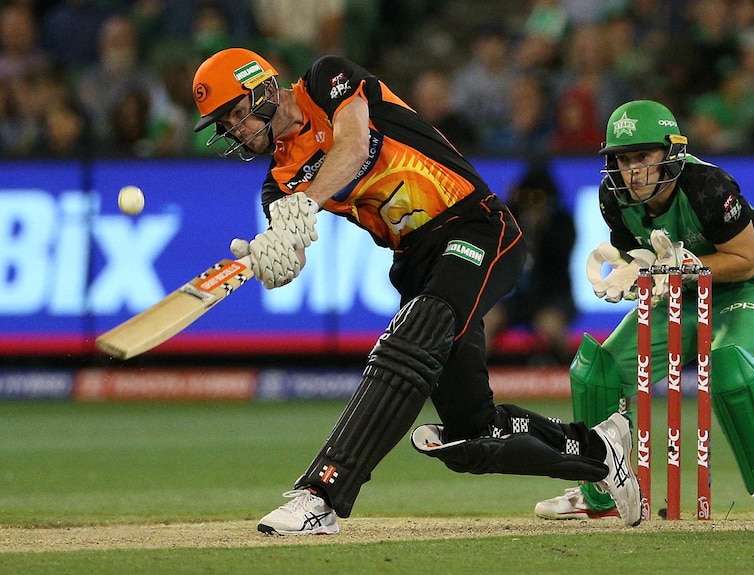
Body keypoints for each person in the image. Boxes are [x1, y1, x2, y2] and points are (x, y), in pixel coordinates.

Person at [190, 47, 643, 534]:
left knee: (410, 340)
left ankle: (321, 494)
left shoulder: (326, 79)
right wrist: (274, 257)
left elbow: (355, 144)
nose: (235, 129)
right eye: (225, 124)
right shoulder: (276, 185)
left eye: (236, 113)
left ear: (260, 86)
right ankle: (601, 450)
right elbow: (293, 252)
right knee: (473, 436)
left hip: (475, 226)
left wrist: (304, 204)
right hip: (416, 263)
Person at [534, 100, 754, 521]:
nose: (631, 170)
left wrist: (686, 266)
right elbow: (634, 253)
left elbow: (744, 260)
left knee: (728, 364)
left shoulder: (709, 186)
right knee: (597, 369)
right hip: (679, 291)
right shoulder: (613, 196)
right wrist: (628, 269)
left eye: (642, 157)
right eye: (622, 159)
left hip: (749, 284)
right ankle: (599, 490)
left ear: (671, 153)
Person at [483, 161, 578, 365]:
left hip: (553, 295)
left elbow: (560, 258)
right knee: (487, 322)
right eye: (526, 198)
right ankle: (479, 378)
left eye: (538, 199)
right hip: (520, 296)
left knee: (550, 326)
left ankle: (566, 374)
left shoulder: (562, 222)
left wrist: (542, 230)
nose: (531, 204)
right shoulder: (513, 219)